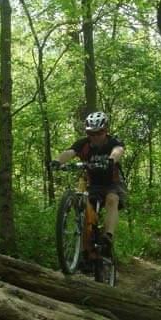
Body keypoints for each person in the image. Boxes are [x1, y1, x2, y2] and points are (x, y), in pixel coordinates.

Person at [50, 111, 126, 259]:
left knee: (112, 199)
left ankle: (107, 237)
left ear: (106, 130)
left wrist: (111, 160)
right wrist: (58, 161)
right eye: (92, 133)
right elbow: (70, 152)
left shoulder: (112, 142)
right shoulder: (83, 144)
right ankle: (86, 253)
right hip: (93, 185)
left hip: (112, 183)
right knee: (85, 216)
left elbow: (118, 150)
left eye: (99, 132)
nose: (96, 136)